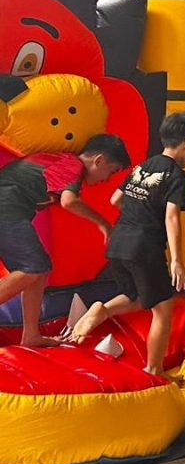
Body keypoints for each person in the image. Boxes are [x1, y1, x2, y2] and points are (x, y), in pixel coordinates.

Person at [70, 111, 185, 378]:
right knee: (164, 308)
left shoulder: (143, 166)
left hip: (119, 242)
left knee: (136, 297)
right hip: (144, 247)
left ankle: (102, 310)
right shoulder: (177, 176)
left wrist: (138, 213)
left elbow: (114, 199)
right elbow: (171, 216)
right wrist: (178, 260)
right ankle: (154, 369)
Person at [0, 133, 130, 347]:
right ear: (99, 160)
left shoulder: (62, 163)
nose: (106, 179)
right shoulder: (72, 164)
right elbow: (69, 202)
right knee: (34, 268)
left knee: (40, 269)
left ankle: (31, 335)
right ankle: (31, 334)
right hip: (6, 209)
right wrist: (103, 224)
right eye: (111, 171)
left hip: (11, 210)